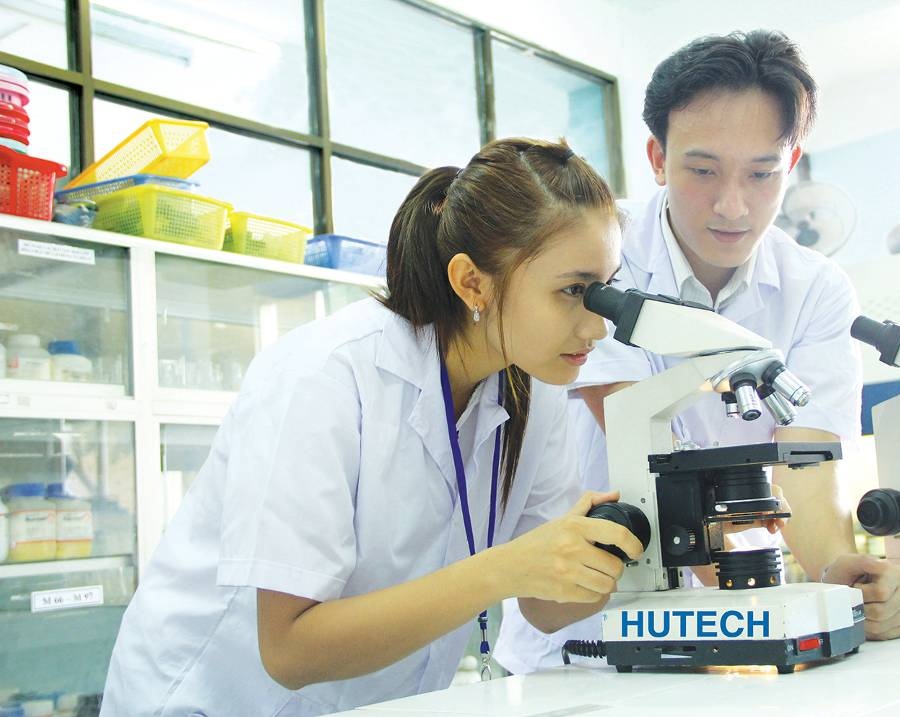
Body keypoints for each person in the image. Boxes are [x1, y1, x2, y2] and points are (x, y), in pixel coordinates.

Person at [101, 137, 644, 715]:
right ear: (472, 282)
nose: (598, 326)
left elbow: (546, 607)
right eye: (572, 291)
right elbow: (289, 650)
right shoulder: (323, 375)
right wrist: (505, 569)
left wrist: (614, 546)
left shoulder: (532, 385)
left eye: (604, 290)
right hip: (213, 700)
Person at [494, 30, 900, 675]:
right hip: (580, 640)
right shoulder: (601, 253)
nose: (732, 206)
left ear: (792, 162)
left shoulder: (816, 289)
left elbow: (808, 465)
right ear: (658, 158)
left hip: (741, 625)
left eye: (762, 174)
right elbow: (644, 442)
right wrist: (757, 605)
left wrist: (837, 579)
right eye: (703, 170)